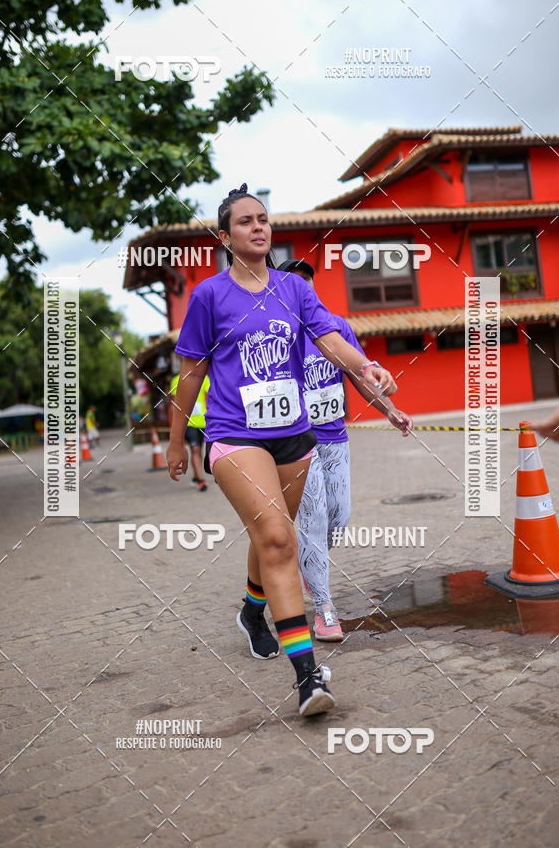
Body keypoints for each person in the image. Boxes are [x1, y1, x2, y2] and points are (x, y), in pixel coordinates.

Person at [166, 183, 397, 717]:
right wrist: (179, 441)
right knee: (277, 538)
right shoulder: (208, 296)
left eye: (263, 219)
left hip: (293, 434)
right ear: (225, 237)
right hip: (234, 433)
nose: (258, 227)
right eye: (245, 221)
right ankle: (308, 676)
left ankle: (252, 610)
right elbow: (189, 375)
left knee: (268, 534)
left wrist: (364, 368)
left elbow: (329, 338)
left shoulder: (294, 291)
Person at [278, 259, 413, 641]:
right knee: (315, 520)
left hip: (336, 439)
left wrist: (390, 410)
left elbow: (359, 374)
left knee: (339, 518)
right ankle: (324, 608)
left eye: (308, 285)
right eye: (294, 285)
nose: (303, 292)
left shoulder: (336, 328)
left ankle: (307, 562)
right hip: (298, 444)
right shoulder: (278, 335)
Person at [170, 372, 210, 491]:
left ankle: (195, 476)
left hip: (202, 421)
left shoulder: (204, 378)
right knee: (195, 448)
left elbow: (210, 397)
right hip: (187, 422)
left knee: (198, 451)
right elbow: (173, 404)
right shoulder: (176, 380)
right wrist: (175, 426)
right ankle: (201, 480)